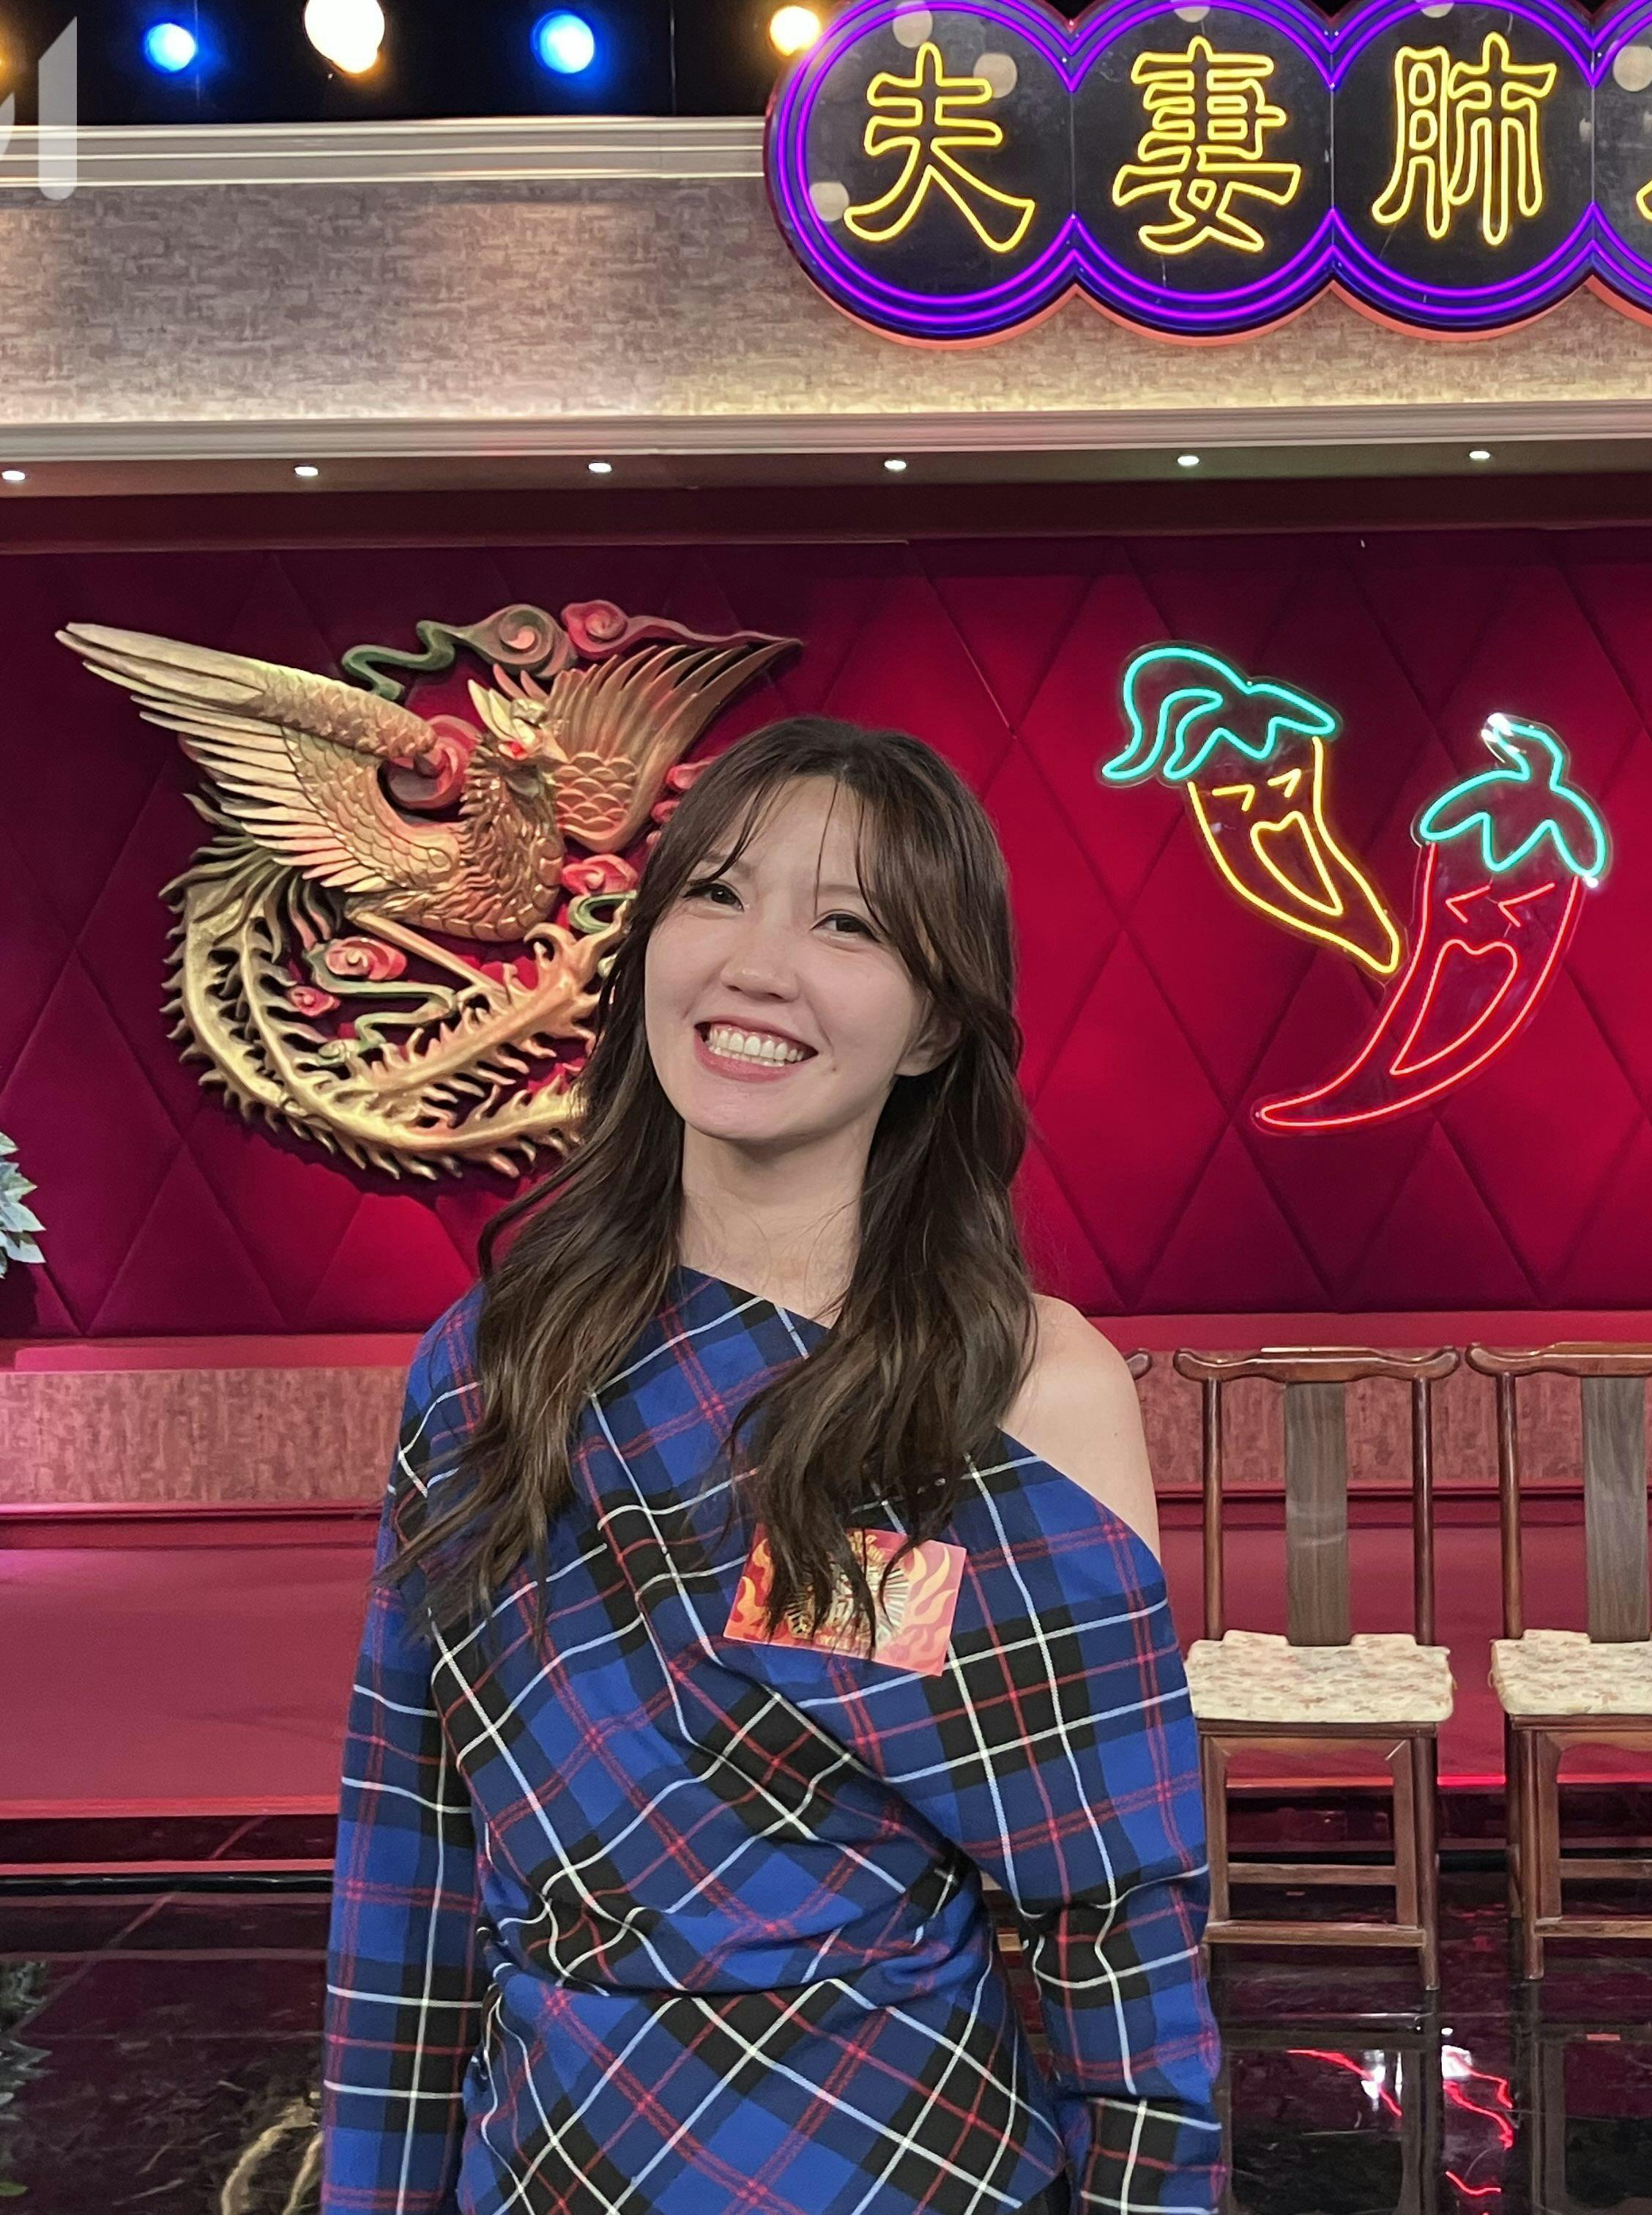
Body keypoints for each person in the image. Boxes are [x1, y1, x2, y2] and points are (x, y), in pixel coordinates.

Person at [321, 716, 1223, 2215]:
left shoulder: (1024, 1390)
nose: (757, 966)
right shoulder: (492, 1363)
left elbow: (1113, 1911)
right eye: (718, 894)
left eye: (847, 925)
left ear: (934, 1025)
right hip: (552, 2157)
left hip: (897, 2158)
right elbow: (408, 1856)